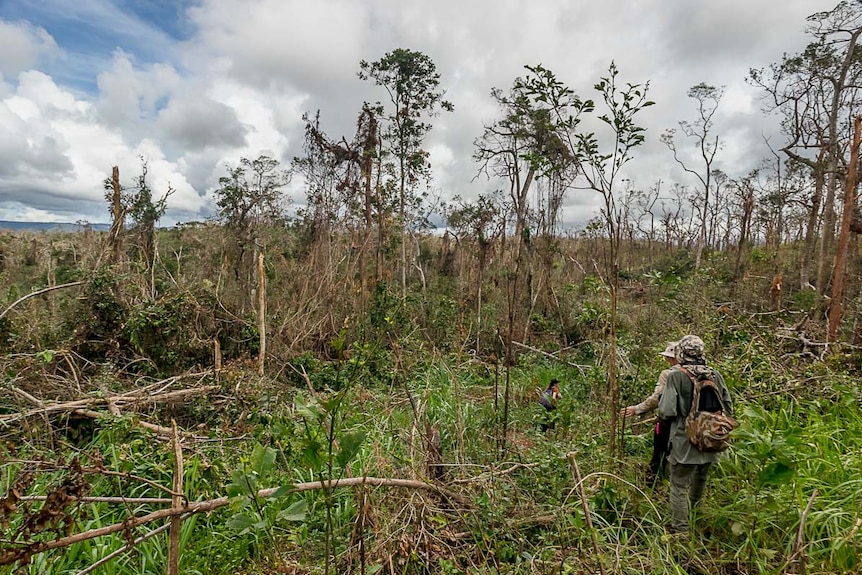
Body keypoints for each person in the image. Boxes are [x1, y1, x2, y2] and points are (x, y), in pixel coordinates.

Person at [658, 335, 733, 533]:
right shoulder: (715, 374)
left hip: (685, 439)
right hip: (713, 437)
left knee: (679, 485)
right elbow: (728, 406)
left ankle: (681, 531)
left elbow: (666, 410)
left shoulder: (675, 376)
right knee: (701, 478)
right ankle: (695, 516)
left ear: (681, 352)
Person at [622, 341, 679, 483]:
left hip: (669, 422)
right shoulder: (701, 373)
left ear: (673, 358)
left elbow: (657, 398)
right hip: (695, 423)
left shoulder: (668, 374)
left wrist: (637, 409)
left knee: (659, 454)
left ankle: (653, 483)